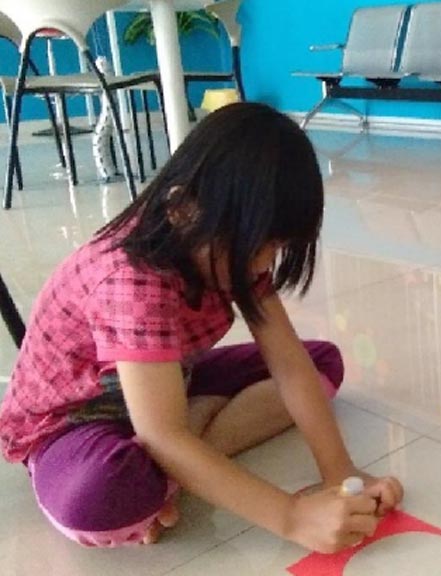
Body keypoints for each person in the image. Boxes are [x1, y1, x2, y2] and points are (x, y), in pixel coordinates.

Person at [0, 103, 403, 549]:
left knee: (321, 364)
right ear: (183, 210)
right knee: (102, 495)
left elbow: (290, 366)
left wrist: (340, 473)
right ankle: (178, 451)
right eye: (261, 246)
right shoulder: (130, 280)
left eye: (276, 247)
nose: (265, 263)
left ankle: (180, 454)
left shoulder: (233, 251)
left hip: (165, 382)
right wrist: (292, 517)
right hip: (75, 419)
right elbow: (161, 434)